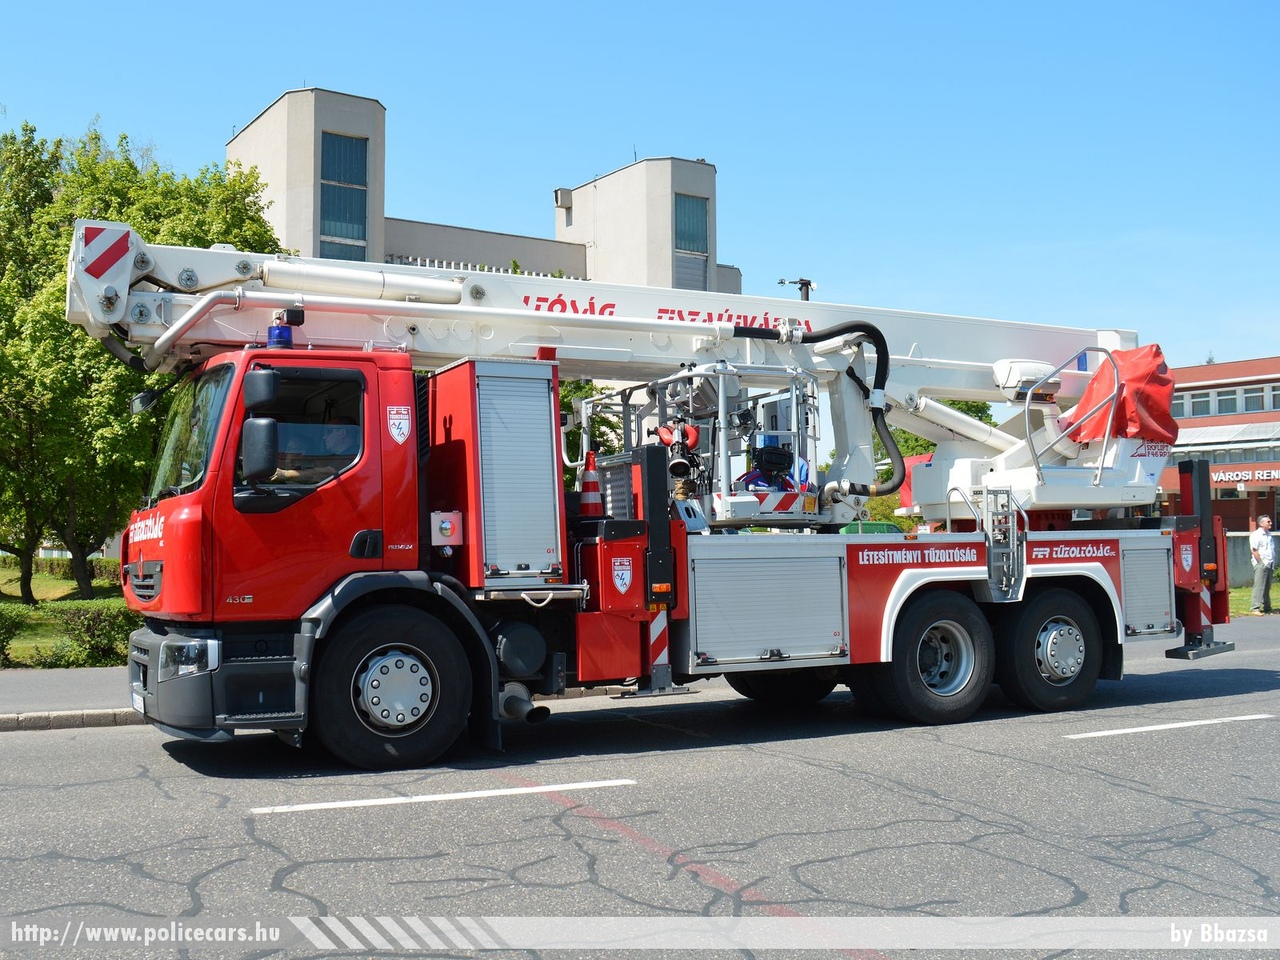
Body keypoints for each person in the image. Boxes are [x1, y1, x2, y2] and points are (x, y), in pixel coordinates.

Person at [272, 417, 360, 483]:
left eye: (328, 432)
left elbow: (327, 473)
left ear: (342, 433)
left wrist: (285, 474)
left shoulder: (353, 455)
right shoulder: (334, 456)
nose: (324, 437)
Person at [1249, 513, 1274, 615]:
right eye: (1268, 522)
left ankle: (1267, 607)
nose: (1270, 523)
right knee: (1259, 586)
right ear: (1261, 523)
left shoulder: (1269, 535)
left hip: (1270, 563)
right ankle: (1255, 608)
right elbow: (1254, 550)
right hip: (1262, 563)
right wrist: (1260, 563)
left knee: (1267, 587)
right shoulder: (1256, 535)